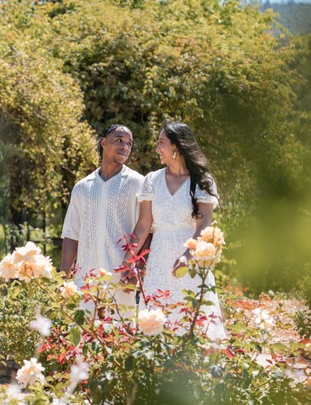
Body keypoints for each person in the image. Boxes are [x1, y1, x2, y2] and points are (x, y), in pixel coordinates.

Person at [120, 121, 225, 339]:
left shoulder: (202, 181)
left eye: (161, 143)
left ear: (176, 146)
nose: (157, 148)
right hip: (159, 258)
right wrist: (129, 258)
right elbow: (143, 225)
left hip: (190, 260)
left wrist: (188, 255)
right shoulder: (152, 180)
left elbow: (204, 226)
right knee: (157, 319)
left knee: (193, 318)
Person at [61, 124, 145, 316]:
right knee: (83, 340)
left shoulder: (138, 183)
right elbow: (71, 235)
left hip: (121, 279)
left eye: (129, 143)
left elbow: (146, 230)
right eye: (119, 140)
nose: (125, 146)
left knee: (120, 339)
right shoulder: (82, 187)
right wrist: (63, 280)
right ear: (103, 142)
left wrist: (135, 268)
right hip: (86, 283)